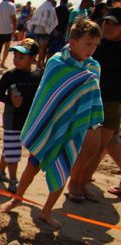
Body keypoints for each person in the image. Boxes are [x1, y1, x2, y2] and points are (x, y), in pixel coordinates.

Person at [0, 19, 103, 228]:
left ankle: (46, 212)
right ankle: (17, 198)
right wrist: (84, 80)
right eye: (87, 44)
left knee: (63, 166)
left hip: (70, 127)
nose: (91, 49)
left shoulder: (93, 68)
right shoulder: (56, 62)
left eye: (94, 45)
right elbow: (48, 96)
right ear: (72, 42)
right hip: (47, 125)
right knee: (32, 164)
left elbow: (88, 99)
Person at [68, 7, 120, 201]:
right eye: (107, 22)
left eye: (115, 24)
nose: (108, 27)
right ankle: (74, 183)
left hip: (113, 102)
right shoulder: (95, 43)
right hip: (91, 101)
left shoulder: (101, 45)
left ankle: (82, 183)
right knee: (87, 146)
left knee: (100, 147)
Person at [0, 38, 42, 193]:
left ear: (33, 58)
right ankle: (13, 180)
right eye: (15, 56)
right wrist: (10, 100)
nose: (16, 60)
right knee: (13, 148)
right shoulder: (10, 75)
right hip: (12, 117)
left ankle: (0, 171)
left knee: (11, 147)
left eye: (22, 57)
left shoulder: (39, 75)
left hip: (30, 118)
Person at [28, 0, 58, 68]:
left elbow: (35, 18)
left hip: (37, 31)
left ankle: (33, 63)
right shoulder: (50, 8)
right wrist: (54, 31)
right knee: (42, 49)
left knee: (37, 48)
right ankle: (39, 65)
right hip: (44, 32)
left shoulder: (41, 7)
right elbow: (52, 21)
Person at [0, 0, 16, 69]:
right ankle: (2, 63)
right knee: (7, 48)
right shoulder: (12, 5)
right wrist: (14, 30)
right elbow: (14, 19)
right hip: (7, 30)